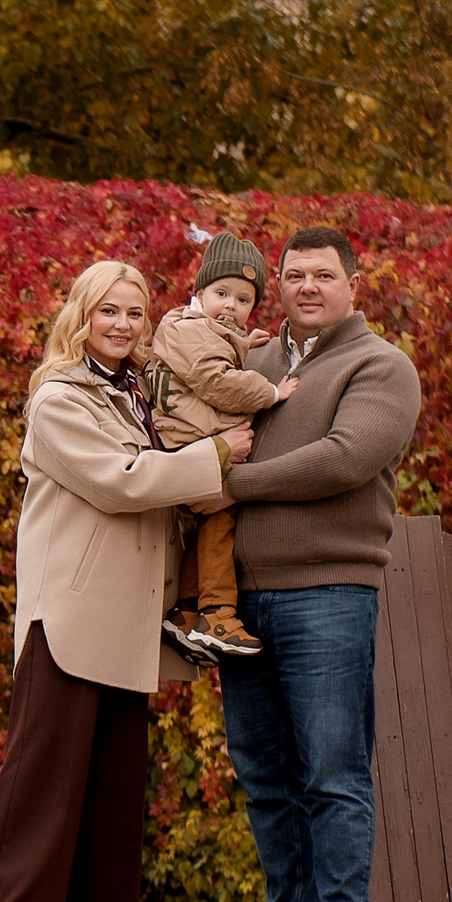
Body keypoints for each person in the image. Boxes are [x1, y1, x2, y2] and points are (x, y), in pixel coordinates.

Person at [0, 260, 250, 902]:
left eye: (134, 313)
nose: (122, 325)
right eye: (107, 311)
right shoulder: (59, 395)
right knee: (41, 780)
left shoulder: (136, 391)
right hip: (72, 614)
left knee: (115, 792)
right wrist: (215, 453)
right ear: (80, 315)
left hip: (131, 621)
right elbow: (121, 481)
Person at [202, 226, 423, 902]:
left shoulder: (381, 367)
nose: (305, 287)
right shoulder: (252, 362)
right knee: (263, 772)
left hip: (328, 592)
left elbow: (344, 458)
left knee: (331, 769)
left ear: (353, 285)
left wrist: (231, 480)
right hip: (237, 603)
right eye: (292, 275)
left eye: (321, 275)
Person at [142, 232, 298, 659]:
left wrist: (246, 343)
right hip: (192, 448)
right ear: (198, 292)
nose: (231, 305)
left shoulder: (195, 329)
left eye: (244, 300)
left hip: (193, 444)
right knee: (221, 520)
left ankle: (187, 611)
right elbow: (213, 379)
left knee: (208, 525)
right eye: (222, 293)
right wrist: (270, 392)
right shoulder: (186, 328)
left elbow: (209, 352)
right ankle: (218, 613)